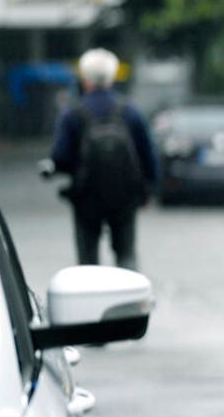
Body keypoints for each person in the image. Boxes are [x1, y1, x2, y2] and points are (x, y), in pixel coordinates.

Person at [47, 48, 157, 270]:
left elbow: (60, 156)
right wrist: (148, 190)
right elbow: (148, 154)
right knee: (126, 254)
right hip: (125, 197)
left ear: (85, 78)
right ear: (112, 77)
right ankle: (129, 297)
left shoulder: (73, 113)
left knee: (88, 261)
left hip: (86, 196)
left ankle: (90, 299)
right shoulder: (129, 111)